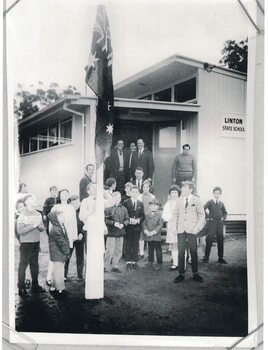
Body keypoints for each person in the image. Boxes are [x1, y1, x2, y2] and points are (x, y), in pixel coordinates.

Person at [173, 181, 205, 283]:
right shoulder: (178, 201)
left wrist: (197, 229)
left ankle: (195, 273)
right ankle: (181, 274)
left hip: (192, 230)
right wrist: (174, 227)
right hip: (181, 230)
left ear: (191, 189)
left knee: (193, 251)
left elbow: (202, 216)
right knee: (181, 252)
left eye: (185, 188)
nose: (183, 189)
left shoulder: (197, 200)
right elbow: (175, 215)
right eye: (182, 188)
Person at [79, 182, 105, 299]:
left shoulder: (101, 200)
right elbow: (81, 217)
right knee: (90, 256)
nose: (95, 191)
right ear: (88, 191)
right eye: (92, 189)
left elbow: (112, 202)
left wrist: (104, 192)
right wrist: (91, 210)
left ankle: (98, 283)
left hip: (99, 231)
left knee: (99, 255)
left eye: (96, 188)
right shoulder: (85, 201)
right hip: (90, 231)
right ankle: (89, 283)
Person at [17, 194, 45, 296]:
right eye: (32, 199)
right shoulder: (22, 215)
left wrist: (40, 226)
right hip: (26, 244)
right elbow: (20, 231)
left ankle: (35, 285)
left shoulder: (38, 214)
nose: (34, 200)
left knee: (34, 265)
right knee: (23, 266)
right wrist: (34, 225)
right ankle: (21, 287)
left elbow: (42, 229)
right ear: (27, 202)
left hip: (35, 243)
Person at [51, 189, 78, 281]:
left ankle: (64, 275)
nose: (65, 194)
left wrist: (74, 235)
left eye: (67, 193)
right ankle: (56, 276)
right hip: (59, 234)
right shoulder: (55, 207)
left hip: (69, 235)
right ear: (59, 195)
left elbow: (74, 222)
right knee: (59, 255)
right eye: (63, 193)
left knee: (67, 255)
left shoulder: (71, 208)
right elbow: (51, 222)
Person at [104, 192, 129, 273]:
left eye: (118, 197)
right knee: (109, 250)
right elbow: (105, 220)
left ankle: (115, 265)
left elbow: (127, 219)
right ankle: (105, 266)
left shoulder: (124, 209)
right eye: (115, 198)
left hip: (121, 232)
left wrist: (123, 224)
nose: (117, 199)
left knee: (118, 250)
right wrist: (114, 223)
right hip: (111, 233)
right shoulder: (108, 208)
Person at [48, 210, 70, 298]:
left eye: (63, 216)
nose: (63, 218)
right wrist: (67, 251)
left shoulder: (61, 226)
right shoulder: (55, 229)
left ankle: (53, 288)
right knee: (60, 272)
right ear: (55, 219)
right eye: (61, 216)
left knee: (56, 271)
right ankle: (61, 290)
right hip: (58, 253)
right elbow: (61, 242)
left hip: (58, 252)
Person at [203, 187, 228, 264]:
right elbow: (202, 209)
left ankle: (220, 257)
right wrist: (208, 216)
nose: (216, 195)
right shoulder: (210, 202)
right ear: (213, 193)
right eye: (215, 193)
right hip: (212, 223)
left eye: (218, 193)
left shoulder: (221, 203)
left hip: (220, 224)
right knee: (209, 240)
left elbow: (225, 212)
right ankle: (206, 257)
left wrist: (223, 218)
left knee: (220, 240)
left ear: (220, 194)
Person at [123, 186, 145, 271]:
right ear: (130, 192)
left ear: (138, 193)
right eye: (133, 192)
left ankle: (134, 262)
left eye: (136, 192)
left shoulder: (140, 203)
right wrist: (129, 219)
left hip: (137, 227)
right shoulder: (126, 202)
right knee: (128, 243)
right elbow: (124, 213)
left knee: (135, 244)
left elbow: (143, 215)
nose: (134, 193)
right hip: (128, 226)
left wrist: (138, 220)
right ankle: (128, 262)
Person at [162, 185, 181, 271]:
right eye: (172, 192)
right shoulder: (168, 204)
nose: (173, 194)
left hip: (181, 226)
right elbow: (164, 216)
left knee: (182, 245)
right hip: (171, 226)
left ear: (178, 193)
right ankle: (175, 263)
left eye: (175, 192)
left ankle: (182, 263)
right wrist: (172, 218)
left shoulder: (181, 202)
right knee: (174, 245)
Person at [143, 198, 163, 271]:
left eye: (154, 205)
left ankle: (159, 263)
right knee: (150, 249)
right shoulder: (147, 215)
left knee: (158, 250)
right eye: (151, 205)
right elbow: (144, 224)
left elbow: (160, 225)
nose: (152, 207)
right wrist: (146, 231)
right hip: (148, 235)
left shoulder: (159, 215)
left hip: (156, 235)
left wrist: (154, 232)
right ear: (149, 206)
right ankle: (150, 262)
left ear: (158, 206)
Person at [138, 181, 155, 258]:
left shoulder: (152, 197)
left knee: (149, 234)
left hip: (149, 218)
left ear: (149, 188)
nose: (145, 189)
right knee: (141, 235)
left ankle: (149, 253)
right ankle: (141, 252)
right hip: (142, 217)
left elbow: (155, 208)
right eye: (144, 187)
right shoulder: (139, 196)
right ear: (142, 188)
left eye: (147, 187)